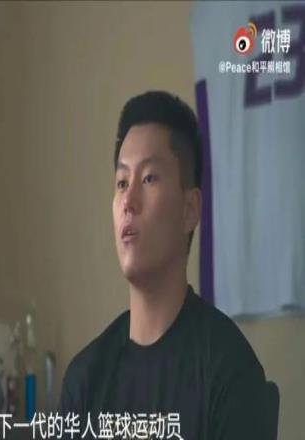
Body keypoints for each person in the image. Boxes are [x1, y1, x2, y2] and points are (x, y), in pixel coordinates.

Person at [58, 91, 268, 439]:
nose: (128, 201)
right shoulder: (85, 378)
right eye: (122, 183)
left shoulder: (229, 368)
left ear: (190, 209)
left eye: (149, 179)